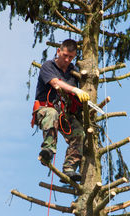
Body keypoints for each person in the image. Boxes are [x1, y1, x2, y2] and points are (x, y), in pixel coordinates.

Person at [31, 39, 90, 182]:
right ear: (59, 51)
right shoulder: (48, 66)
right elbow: (55, 82)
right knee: (51, 114)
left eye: (71, 57)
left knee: (79, 132)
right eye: (65, 55)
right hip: (46, 109)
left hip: (64, 113)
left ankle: (69, 168)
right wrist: (74, 89)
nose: (67, 59)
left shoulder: (73, 72)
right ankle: (48, 150)